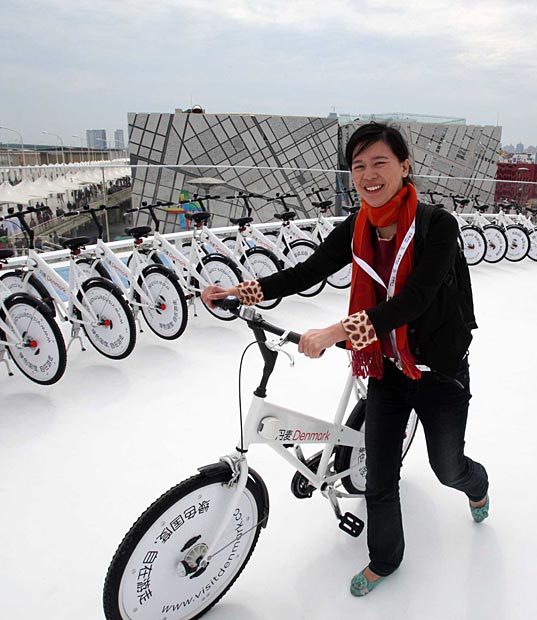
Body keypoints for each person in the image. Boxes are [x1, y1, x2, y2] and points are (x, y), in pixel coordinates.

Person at [201, 122, 489, 597]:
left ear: (404, 166)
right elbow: (308, 270)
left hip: (439, 373)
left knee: (447, 468)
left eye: (379, 163)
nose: (368, 175)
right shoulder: (358, 227)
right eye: (358, 166)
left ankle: (476, 485)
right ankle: (385, 559)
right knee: (380, 476)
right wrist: (240, 290)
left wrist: (337, 332)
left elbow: (415, 300)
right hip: (387, 372)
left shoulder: (437, 225)